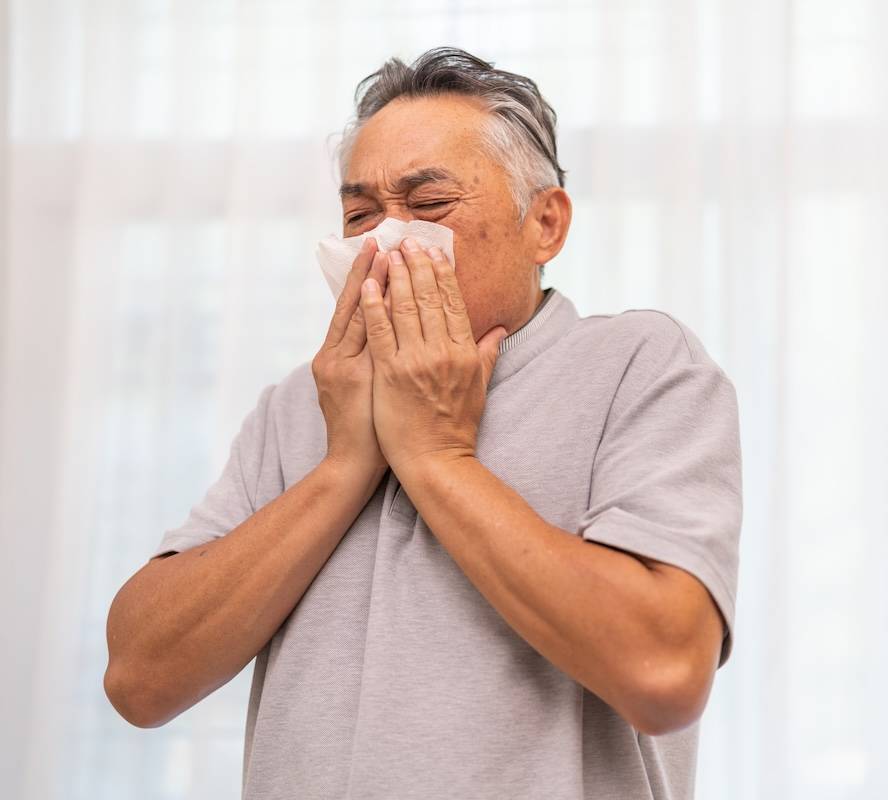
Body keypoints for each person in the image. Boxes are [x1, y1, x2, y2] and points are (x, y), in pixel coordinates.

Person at [103, 46, 742, 800]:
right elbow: (139, 679)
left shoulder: (638, 364)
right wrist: (346, 462)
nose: (383, 243)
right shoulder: (298, 405)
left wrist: (436, 454)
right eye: (359, 214)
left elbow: (662, 670)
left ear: (545, 223)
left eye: (429, 204)